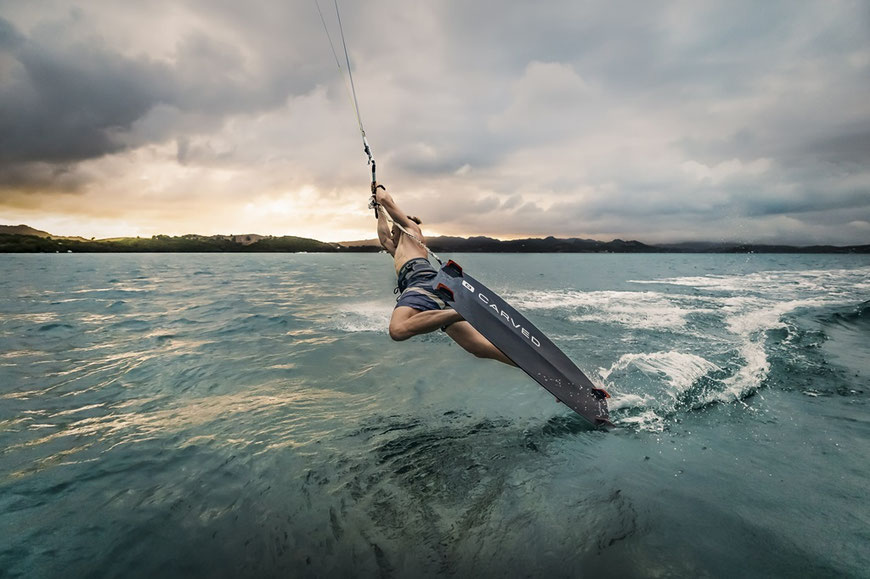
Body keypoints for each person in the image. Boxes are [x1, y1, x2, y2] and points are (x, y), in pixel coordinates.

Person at [371, 183, 514, 366]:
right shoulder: (398, 249)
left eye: (393, 230)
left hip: (421, 281)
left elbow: (386, 199)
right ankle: (533, 369)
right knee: (478, 347)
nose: (391, 234)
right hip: (433, 288)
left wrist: (379, 189)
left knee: (398, 330)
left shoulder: (412, 231)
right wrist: (378, 208)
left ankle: (462, 312)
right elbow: (383, 238)